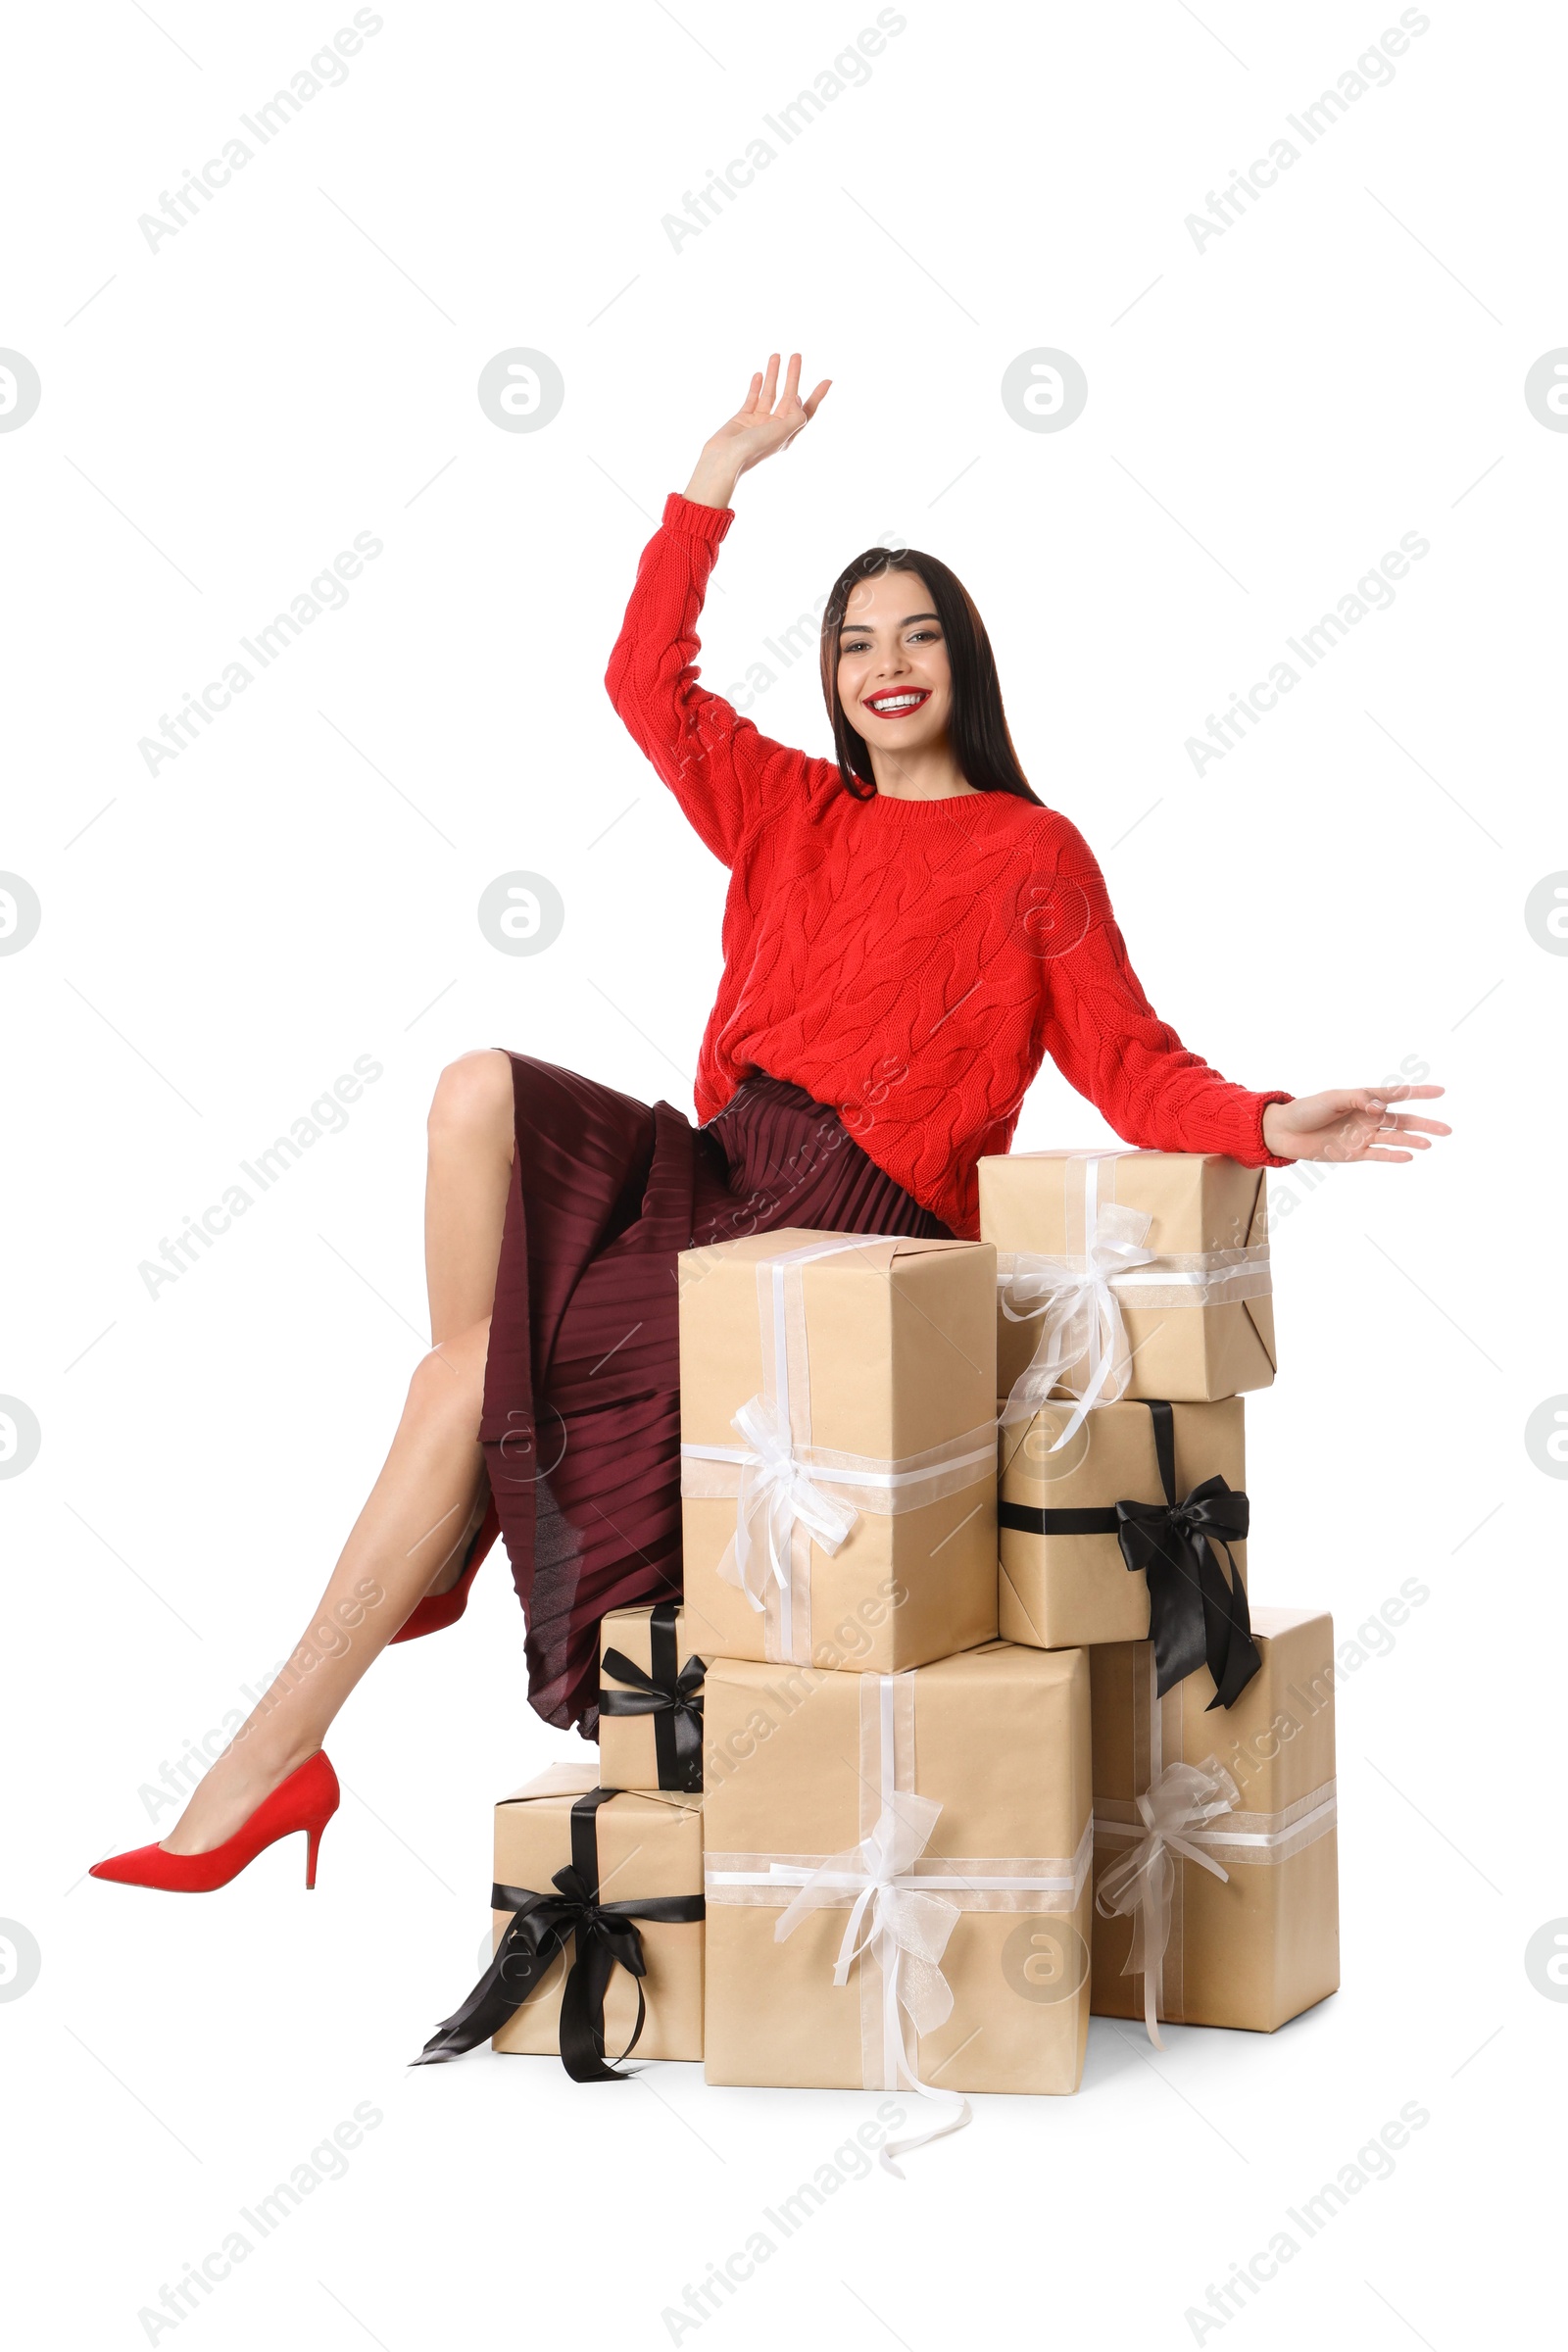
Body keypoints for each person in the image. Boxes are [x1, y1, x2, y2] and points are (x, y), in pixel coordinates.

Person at [89, 354, 1448, 1892]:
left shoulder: (1032, 853)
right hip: (719, 1164)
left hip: (848, 1229)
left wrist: (1274, 1120)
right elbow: (642, 686)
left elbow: (1133, 1065)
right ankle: (501, 1447)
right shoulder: (790, 808)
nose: (889, 662)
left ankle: (267, 1758)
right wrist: (715, 476)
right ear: (831, 675)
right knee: (475, 1093)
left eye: (919, 634)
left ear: (965, 665)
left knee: (464, 1378)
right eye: (857, 639)